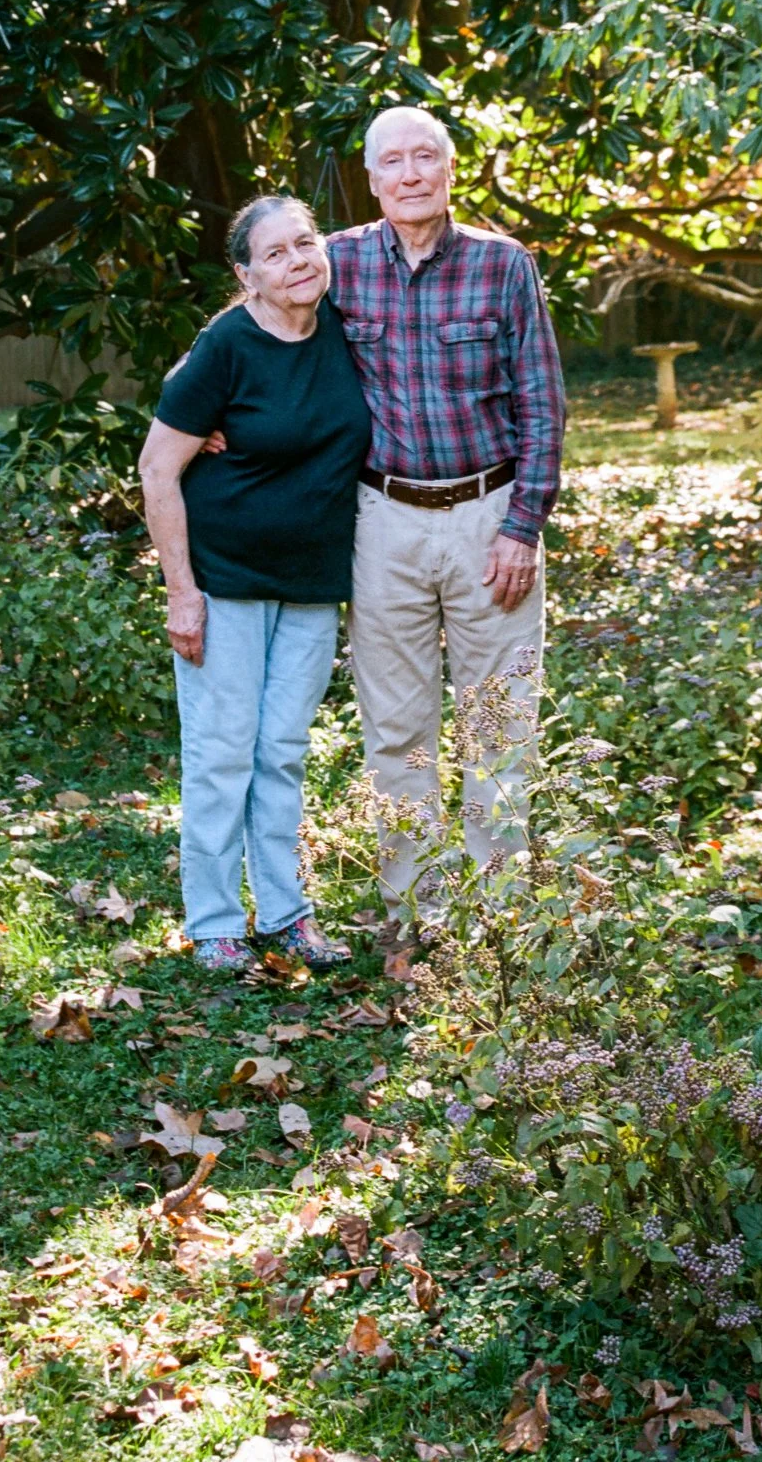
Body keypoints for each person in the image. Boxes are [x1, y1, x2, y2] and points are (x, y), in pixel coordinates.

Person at [328, 106, 566, 933]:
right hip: (382, 519)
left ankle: (496, 918)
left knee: (498, 721)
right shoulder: (337, 263)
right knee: (396, 726)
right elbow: (258, 328)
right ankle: (416, 911)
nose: (409, 174)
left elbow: (541, 399)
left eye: (424, 156)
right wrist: (203, 411)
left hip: (487, 518)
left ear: (450, 167)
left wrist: (524, 525)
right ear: (371, 178)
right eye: (391, 161)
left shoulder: (503, 265)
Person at [138, 195, 370, 974]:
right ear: (246, 275)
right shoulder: (226, 345)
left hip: (310, 582)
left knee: (281, 751)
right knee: (220, 753)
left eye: (305, 243)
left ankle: (286, 913)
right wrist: (182, 594)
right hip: (225, 581)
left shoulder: (345, 324)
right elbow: (155, 467)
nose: (297, 261)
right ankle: (211, 922)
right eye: (274, 253)